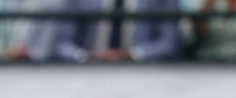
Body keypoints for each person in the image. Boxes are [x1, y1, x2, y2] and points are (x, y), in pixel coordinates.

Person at [49, 0, 182, 61]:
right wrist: (86, 56)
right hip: (88, 73)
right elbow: (61, 44)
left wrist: (132, 55)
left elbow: (169, 43)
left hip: (145, 76)